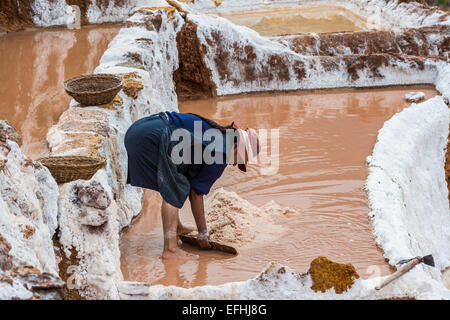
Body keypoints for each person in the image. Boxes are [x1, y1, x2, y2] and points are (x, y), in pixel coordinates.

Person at [124, 111, 259, 260]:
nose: (234, 164)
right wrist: (203, 232)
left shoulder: (216, 134)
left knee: (176, 181)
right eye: (239, 159)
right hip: (151, 137)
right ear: (237, 148)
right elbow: (196, 194)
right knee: (175, 189)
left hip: (139, 130)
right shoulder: (221, 153)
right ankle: (170, 250)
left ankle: (176, 227)